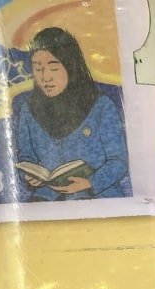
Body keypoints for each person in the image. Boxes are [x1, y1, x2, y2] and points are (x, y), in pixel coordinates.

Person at [12, 27, 131, 202]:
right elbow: (26, 158)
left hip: (99, 196)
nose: (45, 77)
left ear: (71, 66)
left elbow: (118, 162)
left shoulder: (101, 106)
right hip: (50, 197)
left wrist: (89, 183)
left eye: (53, 68)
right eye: (38, 69)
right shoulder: (28, 110)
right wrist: (28, 176)